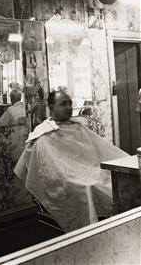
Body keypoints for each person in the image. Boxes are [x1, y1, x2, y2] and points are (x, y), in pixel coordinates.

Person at [14, 91, 128, 233]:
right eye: (63, 104)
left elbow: (100, 152)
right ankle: (91, 235)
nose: (68, 107)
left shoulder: (78, 127)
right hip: (72, 179)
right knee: (89, 188)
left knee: (120, 180)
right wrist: (80, 175)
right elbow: (50, 171)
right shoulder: (43, 136)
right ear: (51, 107)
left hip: (92, 171)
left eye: (69, 103)